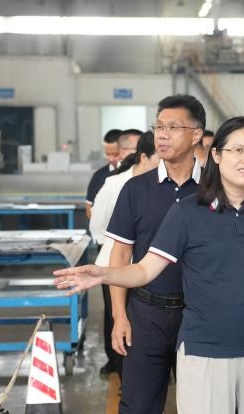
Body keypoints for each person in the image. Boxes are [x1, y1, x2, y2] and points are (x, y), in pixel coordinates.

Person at [54, 116, 244, 414]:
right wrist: (103, 274)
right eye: (237, 150)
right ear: (216, 155)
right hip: (204, 350)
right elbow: (145, 270)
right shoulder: (187, 212)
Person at [105, 95, 205, 414]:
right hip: (147, 315)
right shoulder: (136, 189)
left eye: (173, 127)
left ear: (197, 134)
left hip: (200, 316)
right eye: (159, 127)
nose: (162, 135)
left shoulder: (214, 190)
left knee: (205, 404)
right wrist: (120, 316)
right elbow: (121, 255)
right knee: (138, 405)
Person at [89, 130, 159, 377]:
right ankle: (121, 371)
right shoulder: (115, 183)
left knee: (140, 322)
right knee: (117, 317)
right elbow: (97, 225)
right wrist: (114, 245)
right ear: (144, 157)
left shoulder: (162, 186)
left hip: (148, 265)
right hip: (114, 261)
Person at [85, 129, 121, 219]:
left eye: (115, 155)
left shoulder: (134, 173)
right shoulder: (98, 176)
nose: (110, 159)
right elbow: (89, 209)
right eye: (108, 154)